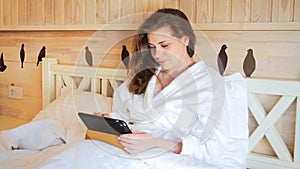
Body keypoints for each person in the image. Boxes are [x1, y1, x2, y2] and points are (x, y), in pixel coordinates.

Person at [95, 8, 248, 169]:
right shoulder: (148, 76)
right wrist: (111, 121)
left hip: (175, 159)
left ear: (185, 40)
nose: (156, 54)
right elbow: (131, 114)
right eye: (151, 46)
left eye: (164, 45)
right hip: (134, 150)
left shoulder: (210, 83)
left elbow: (210, 149)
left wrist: (156, 143)